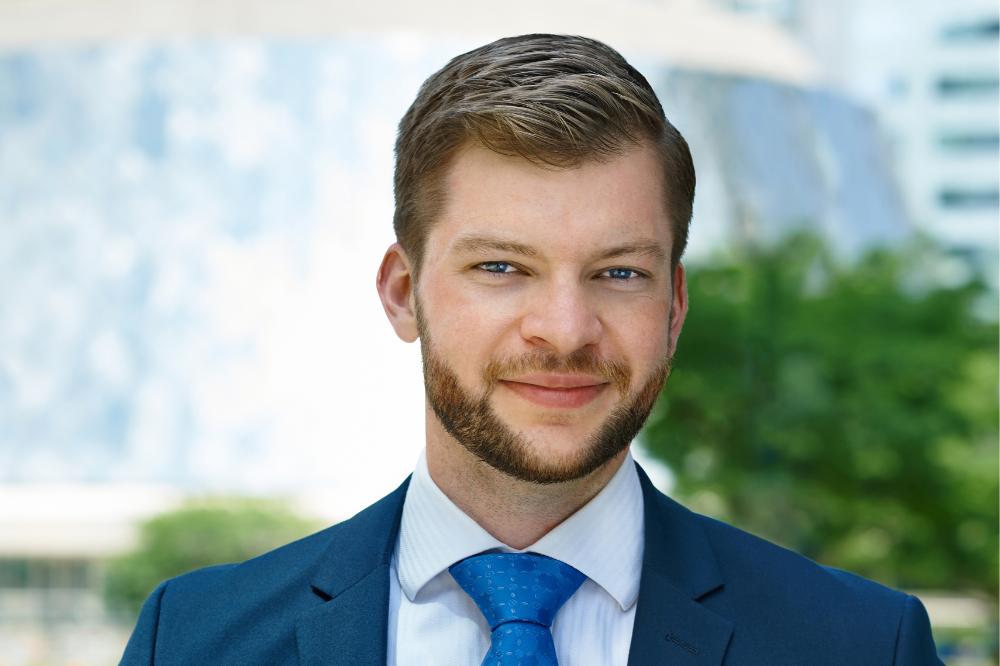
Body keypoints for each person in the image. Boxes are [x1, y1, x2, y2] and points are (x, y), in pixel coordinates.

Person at [119, 34, 943, 666]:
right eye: (502, 268)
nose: (565, 329)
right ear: (402, 293)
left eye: (619, 273)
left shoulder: (862, 645)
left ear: (675, 308)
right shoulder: (192, 640)